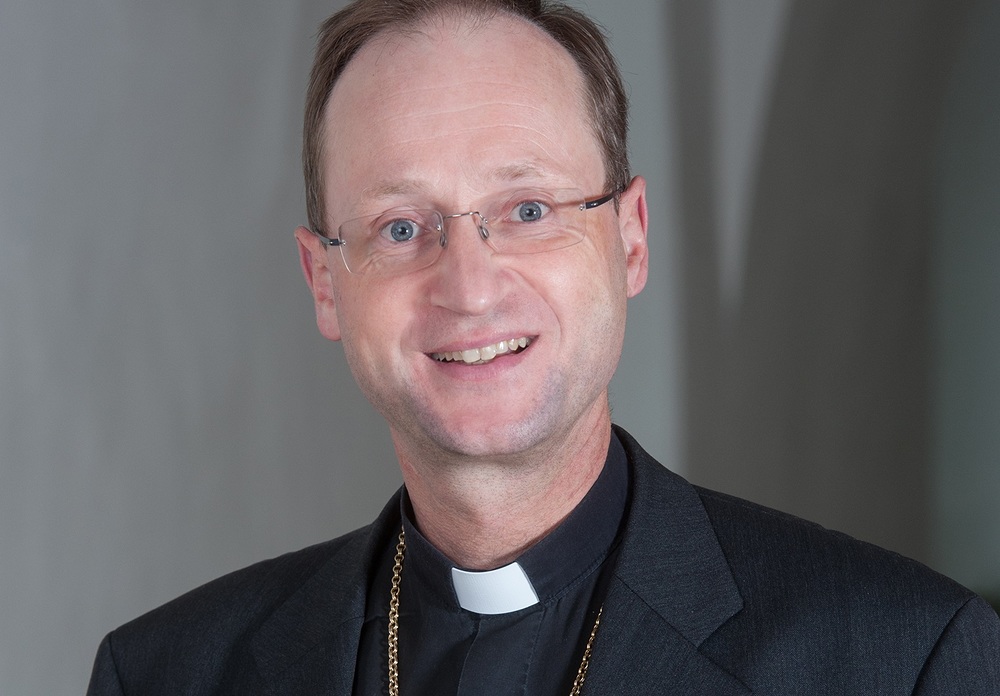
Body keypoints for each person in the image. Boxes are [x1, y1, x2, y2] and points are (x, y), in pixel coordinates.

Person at [87, 0, 1000, 693]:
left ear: (630, 239)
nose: (470, 286)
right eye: (400, 227)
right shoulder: (165, 674)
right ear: (325, 281)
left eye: (528, 210)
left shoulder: (902, 658)